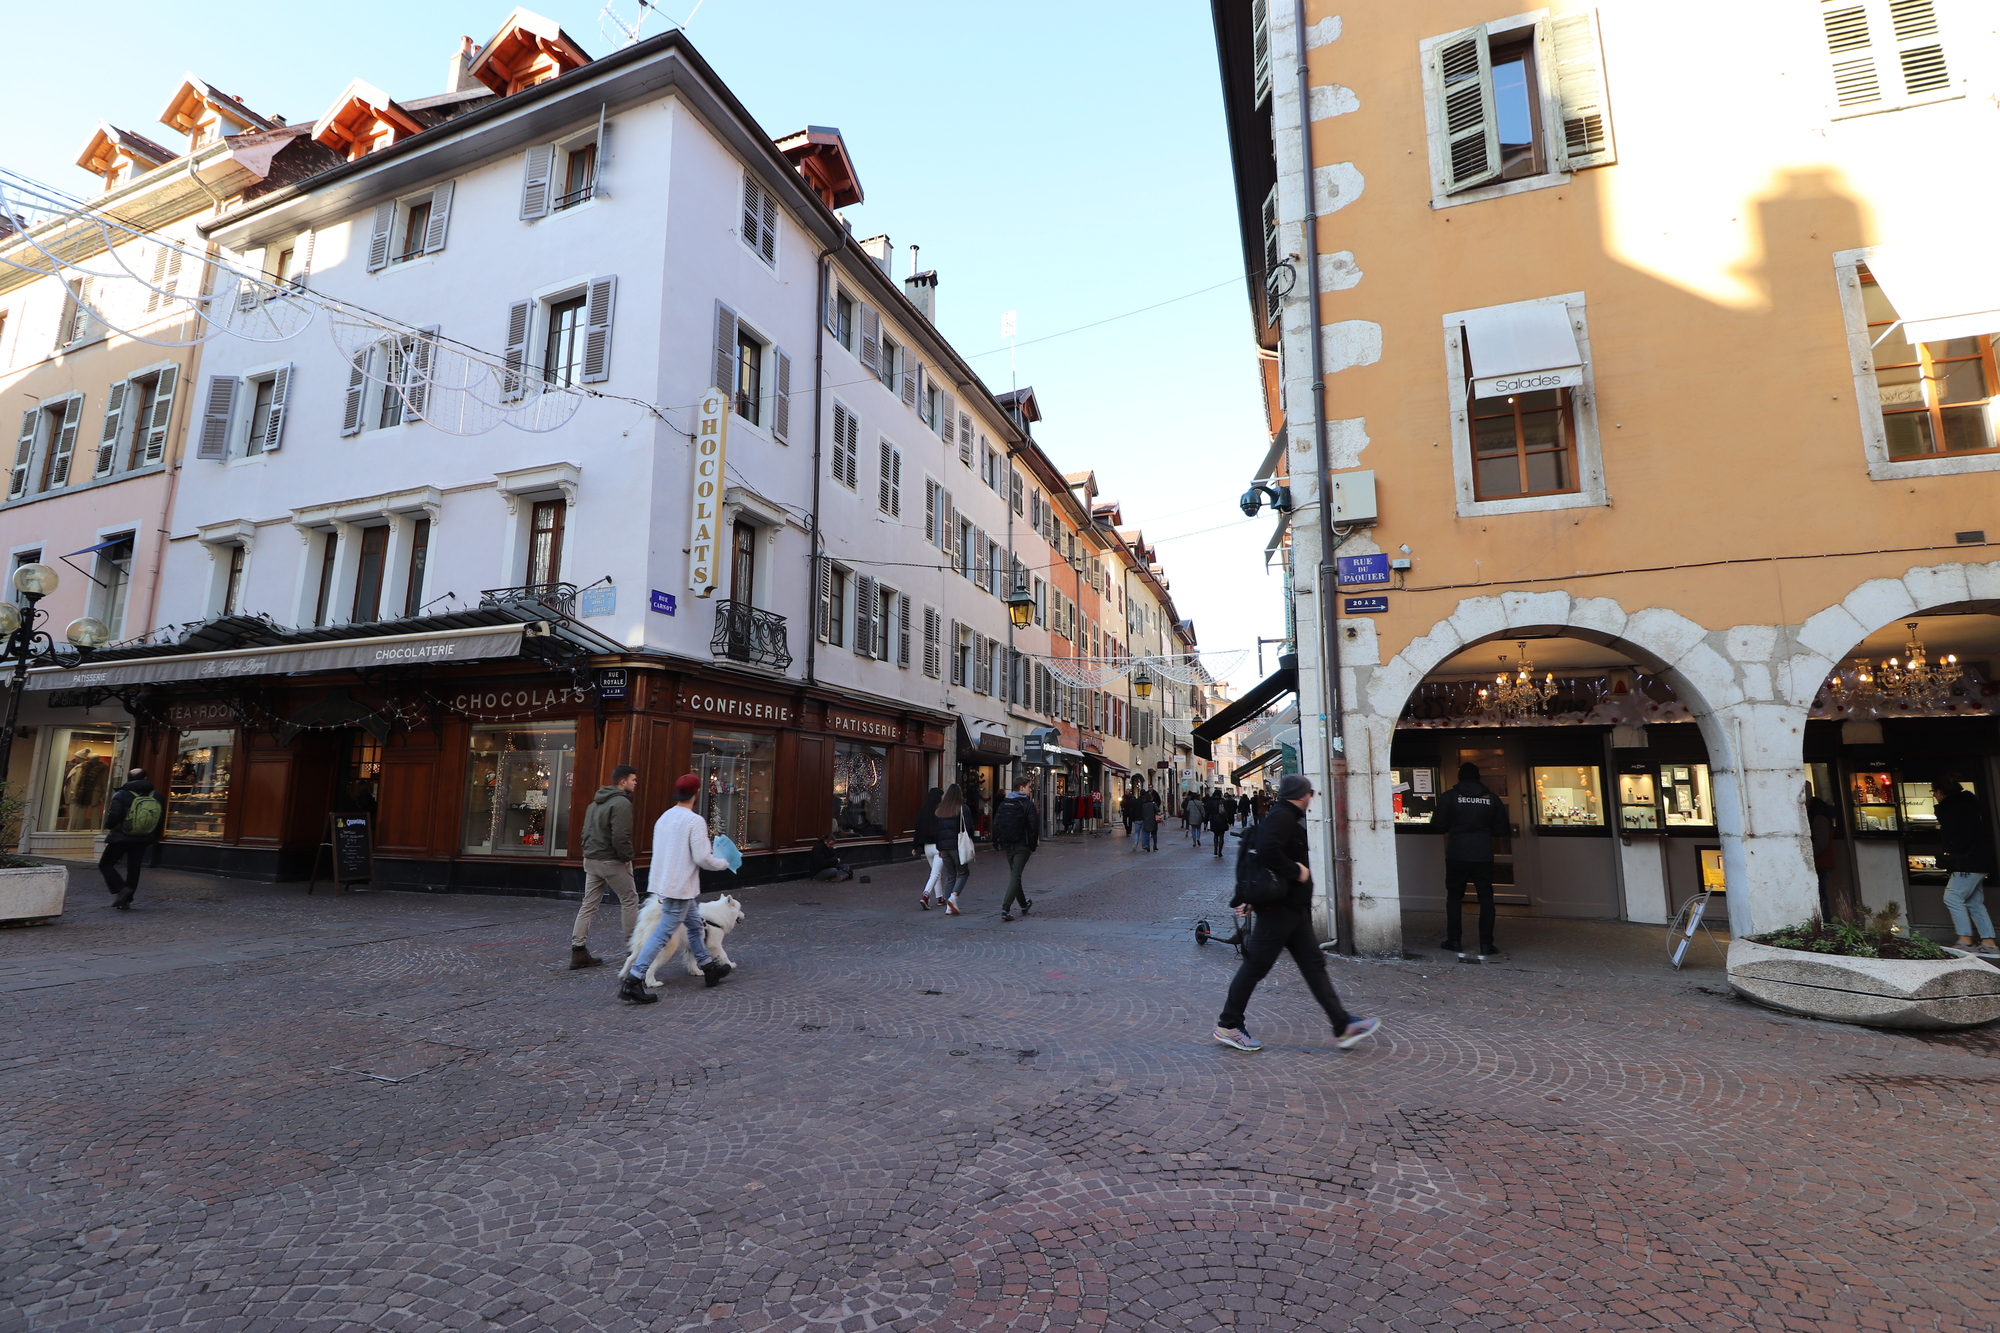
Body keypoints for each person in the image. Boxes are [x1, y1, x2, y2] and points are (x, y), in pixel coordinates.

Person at [1213, 774, 1378, 1052]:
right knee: (1255, 967)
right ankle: (1229, 1024)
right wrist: (1296, 872)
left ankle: (1342, 1025)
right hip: (1279, 911)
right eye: (1310, 792)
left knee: (1314, 966)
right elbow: (1266, 851)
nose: (1311, 797)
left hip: (1292, 911)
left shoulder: (1285, 816)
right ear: (1302, 794)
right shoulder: (1283, 816)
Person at [619, 773, 733, 1003]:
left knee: (695, 925)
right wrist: (724, 862)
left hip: (666, 884)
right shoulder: (694, 821)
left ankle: (708, 968)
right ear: (697, 793)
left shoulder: (664, 817)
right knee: (663, 934)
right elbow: (702, 857)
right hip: (680, 887)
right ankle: (633, 980)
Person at [1436, 761, 1512, 960]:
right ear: (1479, 778)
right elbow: (1501, 829)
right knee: (1486, 898)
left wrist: (1456, 828)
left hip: (1457, 853)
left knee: (1454, 897)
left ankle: (1454, 940)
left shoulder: (1449, 797)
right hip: (1483, 854)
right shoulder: (1492, 798)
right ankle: (1486, 944)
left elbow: (1437, 825)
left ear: (1459, 778)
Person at [571, 764, 641, 969]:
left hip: (591, 860)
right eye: (633, 780)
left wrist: (588, 852)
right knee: (629, 900)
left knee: (588, 904)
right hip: (611, 861)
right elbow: (621, 836)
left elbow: (585, 832)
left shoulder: (594, 803)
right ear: (623, 781)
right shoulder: (621, 803)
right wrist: (626, 857)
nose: (635, 783)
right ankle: (634, 949)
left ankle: (578, 950)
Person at [1933, 777, 1998, 954]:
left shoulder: (1951, 809)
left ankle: (1965, 940)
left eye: (1934, 792)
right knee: (1974, 902)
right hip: (1979, 860)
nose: (1935, 796)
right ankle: (1989, 943)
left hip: (1966, 863)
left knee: (1952, 897)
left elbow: (1954, 838)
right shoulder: (1968, 805)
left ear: (1940, 792)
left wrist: (1949, 853)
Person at [99, 768, 163, 911]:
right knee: (134, 869)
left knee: (106, 864)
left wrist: (109, 827)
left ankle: (121, 889)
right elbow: (160, 820)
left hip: (121, 837)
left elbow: (113, 817)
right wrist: (154, 838)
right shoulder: (157, 796)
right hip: (143, 837)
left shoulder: (121, 794)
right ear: (145, 778)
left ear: (128, 779)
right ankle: (126, 901)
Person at [993, 775, 1042, 921]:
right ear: (1021, 788)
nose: (1030, 789)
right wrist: (1032, 846)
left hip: (1008, 844)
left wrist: (997, 841)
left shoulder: (1004, 803)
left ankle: (1023, 904)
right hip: (1022, 844)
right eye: (1029, 787)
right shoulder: (1028, 805)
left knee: (1015, 874)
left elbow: (996, 823)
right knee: (1015, 875)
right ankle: (1005, 908)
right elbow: (1033, 827)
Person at [934, 783, 971, 915]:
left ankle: (949, 907)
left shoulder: (940, 810)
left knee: (950, 875)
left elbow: (937, 831)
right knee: (963, 873)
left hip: (944, 847)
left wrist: (939, 847)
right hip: (957, 846)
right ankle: (953, 897)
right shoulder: (962, 809)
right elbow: (969, 827)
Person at [915, 786, 945, 908]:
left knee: (935, 872)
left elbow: (918, 830)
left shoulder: (923, 812)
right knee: (935, 873)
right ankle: (926, 895)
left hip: (927, 847)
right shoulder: (941, 812)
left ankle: (940, 897)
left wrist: (915, 846)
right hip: (938, 846)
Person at [1207, 791, 1233, 857]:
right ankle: (1220, 851)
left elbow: (1208, 811)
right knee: (1221, 836)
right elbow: (1227, 811)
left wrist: (1206, 820)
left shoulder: (1210, 801)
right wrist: (1229, 820)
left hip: (1213, 820)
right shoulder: (1223, 801)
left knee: (1215, 835)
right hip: (1222, 819)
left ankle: (1215, 849)